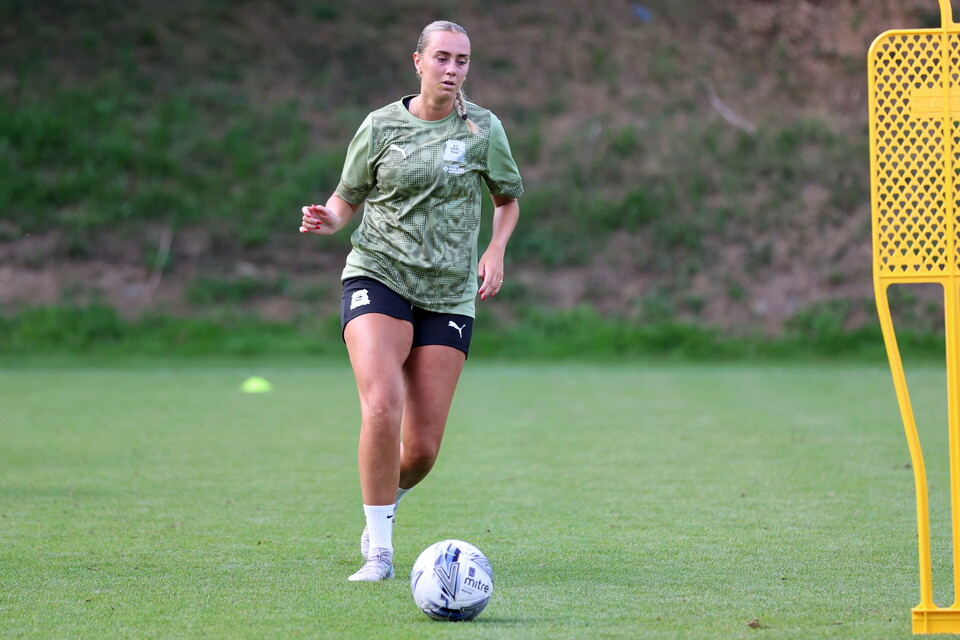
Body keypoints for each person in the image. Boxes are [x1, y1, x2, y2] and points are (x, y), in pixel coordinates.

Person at [299, 20, 523, 582]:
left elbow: (507, 200)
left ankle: (386, 497)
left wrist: (495, 250)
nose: (453, 70)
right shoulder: (380, 126)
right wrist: (328, 221)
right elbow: (347, 197)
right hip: (379, 274)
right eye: (443, 58)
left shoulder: (482, 129)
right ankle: (379, 550)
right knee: (381, 403)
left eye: (463, 61)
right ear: (417, 61)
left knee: (421, 449)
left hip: (448, 293)